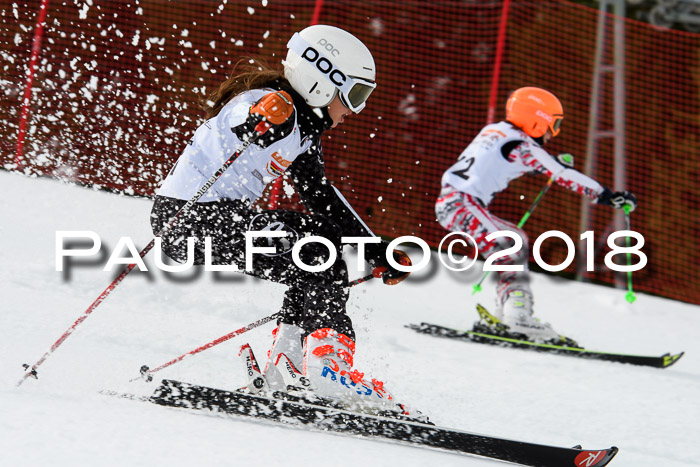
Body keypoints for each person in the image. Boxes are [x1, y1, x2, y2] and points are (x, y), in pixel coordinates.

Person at [151, 25, 411, 409]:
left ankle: (287, 364)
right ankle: (328, 367)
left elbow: (321, 196)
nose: (355, 110)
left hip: (223, 219)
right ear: (323, 80)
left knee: (316, 248)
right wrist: (258, 118)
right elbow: (243, 115)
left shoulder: (305, 130)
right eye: (355, 94)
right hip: (190, 218)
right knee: (317, 244)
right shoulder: (270, 102)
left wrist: (374, 248)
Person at [435, 87, 637, 343]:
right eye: (553, 124)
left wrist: (548, 163)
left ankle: (507, 312)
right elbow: (559, 174)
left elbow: (498, 162)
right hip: (463, 203)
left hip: (453, 201)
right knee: (509, 244)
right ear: (537, 118)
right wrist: (606, 194)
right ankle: (518, 317)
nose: (553, 132)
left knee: (514, 237)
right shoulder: (522, 144)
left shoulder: (495, 131)